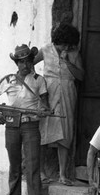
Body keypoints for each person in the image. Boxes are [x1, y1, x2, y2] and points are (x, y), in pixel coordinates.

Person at [0, 44, 50, 195]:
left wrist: (43, 111)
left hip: (31, 125)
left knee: (32, 163)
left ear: (31, 61)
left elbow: (45, 105)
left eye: (27, 61)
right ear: (16, 63)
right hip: (11, 125)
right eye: (20, 62)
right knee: (14, 164)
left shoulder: (39, 80)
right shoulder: (8, 80)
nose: (24, 65)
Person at [34, 23, 84, 185]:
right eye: (64, 44)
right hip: (48, 91)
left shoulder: (73, 53)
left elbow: (81, 76)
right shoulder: (46, 49)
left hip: (68, 92)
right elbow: (29, 64)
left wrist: (68, 61)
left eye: (69, 45)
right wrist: (36, 84)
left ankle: (62, 174)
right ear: (58, 41)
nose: (66, 47)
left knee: (65, 129)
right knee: (44, 129)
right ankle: (41, 172)